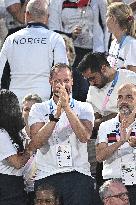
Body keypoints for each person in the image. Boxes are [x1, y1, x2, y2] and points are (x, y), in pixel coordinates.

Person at [28, 63, 96, 205]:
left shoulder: (84, 107)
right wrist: (57, 114)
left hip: (78, 174)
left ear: (72, 81)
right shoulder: (38, 109)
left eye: (66, 80)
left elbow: (84, 136)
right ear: (50, 82)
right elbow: (36, 143)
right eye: (58, 81)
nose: (62, 85)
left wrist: (67, 108)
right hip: (47, 174)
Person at [78, 52, 136, 187]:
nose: (91, 83)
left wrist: (108, 117)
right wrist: (108, 118)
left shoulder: (130, 79)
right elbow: (92, 119)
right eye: (88, 80)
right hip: (107, 136)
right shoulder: (93, 89)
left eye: (92, 78)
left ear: (103, 68)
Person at [0, 0, 68, 105]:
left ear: (27, 14)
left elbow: (1, 71)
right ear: (47, 17)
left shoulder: (11, 39)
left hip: (16, 100)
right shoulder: (56, 39)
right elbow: (62, 74)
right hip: (43, 99)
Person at [96, 83, 136, 205]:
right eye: (120, 97)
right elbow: (99, 156)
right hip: (113, 185)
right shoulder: (105, 126)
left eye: (129, 97)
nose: (123, 101)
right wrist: (120, 142)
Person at [0, 89, 35, 205]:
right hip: (6, 186)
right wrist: (31, 148)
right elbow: (17, 163)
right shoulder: (1, 134)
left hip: (18, 185)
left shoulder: (15, 133)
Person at [22, 93, 42, 205]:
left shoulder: (49, 133)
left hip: (45, 188)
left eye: (33, 109)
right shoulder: (15, 137)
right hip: (22, 192)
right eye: (26, 109)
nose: (29, 113)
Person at [106, 2, 136, 72]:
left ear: (113, 19)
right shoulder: (113, 43)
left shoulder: (131, 44)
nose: (106, 20)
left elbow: (133, 76)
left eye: (106, 16)